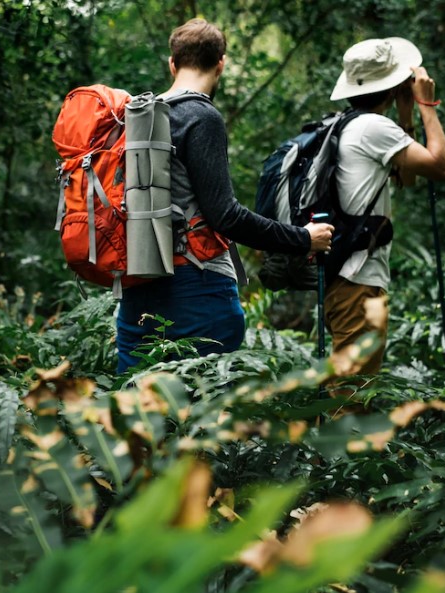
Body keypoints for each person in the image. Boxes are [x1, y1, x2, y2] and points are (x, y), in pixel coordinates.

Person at [115, 19, 334, 373]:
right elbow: (226, 216)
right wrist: (302, 239)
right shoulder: (201, 117)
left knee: (140, 412)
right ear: (221, 63)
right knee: (206, 412)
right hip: (197, 287)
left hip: (136, 284)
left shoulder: (139, 115)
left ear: (172, 63)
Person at [324, 37, 445, 376]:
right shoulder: (373, 127)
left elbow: (406, 179)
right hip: (358, 281)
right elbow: (441, 167)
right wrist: (427, 104)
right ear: (393, 85)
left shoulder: (350, 124)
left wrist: (407, 114)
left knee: (350, 394)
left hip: (348, 279)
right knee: (350, 401)